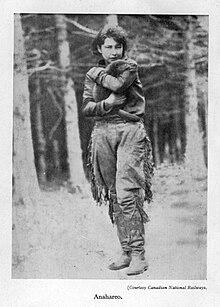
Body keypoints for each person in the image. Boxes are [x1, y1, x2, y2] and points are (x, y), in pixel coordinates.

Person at [82, 25, 153, 276]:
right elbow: (87, 108)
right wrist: (107, 103)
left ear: (124, 49)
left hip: (130, 130)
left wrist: (96, 73)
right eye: (108, 47)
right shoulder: (93, 74)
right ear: (100, 49)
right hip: (102, 132)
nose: (113, 52)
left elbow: (119, 85)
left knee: (127, 193)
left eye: (118, 46)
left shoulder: (129, 67)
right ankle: (125, 251)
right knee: (113, 194)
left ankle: (138, 255)